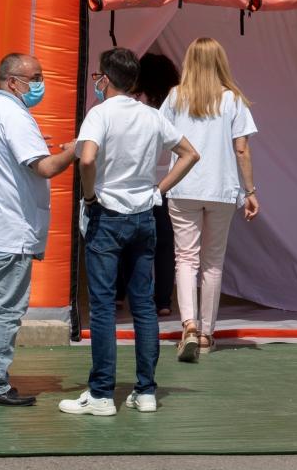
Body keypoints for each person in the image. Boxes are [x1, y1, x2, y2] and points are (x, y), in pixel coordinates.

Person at [60, 47, 198, 417]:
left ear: (105, 79)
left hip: (107, 214)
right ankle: (146, 390)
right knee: (144, 305)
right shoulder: (151, 116)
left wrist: (90, 195)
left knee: (103, 306)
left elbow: (86, 158)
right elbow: (190, 153)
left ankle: (102, 393)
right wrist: (158, 189)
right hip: (143, 215)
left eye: (97, 77)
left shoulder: (99, 114)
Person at [0, 52, 76, 407]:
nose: (40, 84)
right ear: (12, 81)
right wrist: (76, 150)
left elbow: (2, 156)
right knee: (5, 312)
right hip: (7, 231)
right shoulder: (15, 116)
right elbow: (46, 168)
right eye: (35, 77)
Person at [160, 37, 259, 362]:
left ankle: (187, 323)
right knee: (212, 263)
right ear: (221, 62)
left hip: (183, 186)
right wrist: (250, 191)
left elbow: (160, 136)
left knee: (185, 258)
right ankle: (206, 334)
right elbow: (241, 149)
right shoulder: (232, 100)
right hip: (221, 188)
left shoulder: (175, 97)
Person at [131, 51, 180, 315]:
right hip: (169, 181)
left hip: (139, 180)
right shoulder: (175, 103)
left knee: (131, 241)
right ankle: (163, 301)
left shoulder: (137, 103)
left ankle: (120, 294)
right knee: (165, 243)